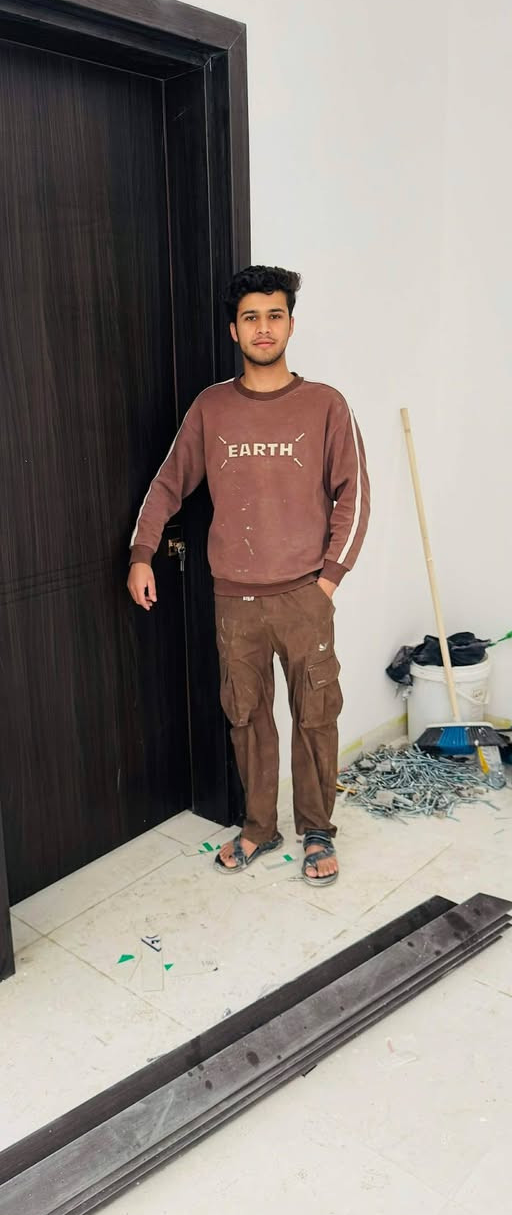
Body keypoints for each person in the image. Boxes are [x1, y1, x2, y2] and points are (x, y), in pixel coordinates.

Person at [127, 265, 370, 884]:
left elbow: (354, 494)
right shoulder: (212, 407)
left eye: (275, 315)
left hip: (304, 594)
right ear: (234, 330)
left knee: (315, 716)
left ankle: (317, 830)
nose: (264, 328)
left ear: (290, 324)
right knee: (247, 717)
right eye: (251, 317)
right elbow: (167, 483)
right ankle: (260, 827)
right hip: (234, 599)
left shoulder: (325, 405)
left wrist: (329, 580)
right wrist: (142, 553)